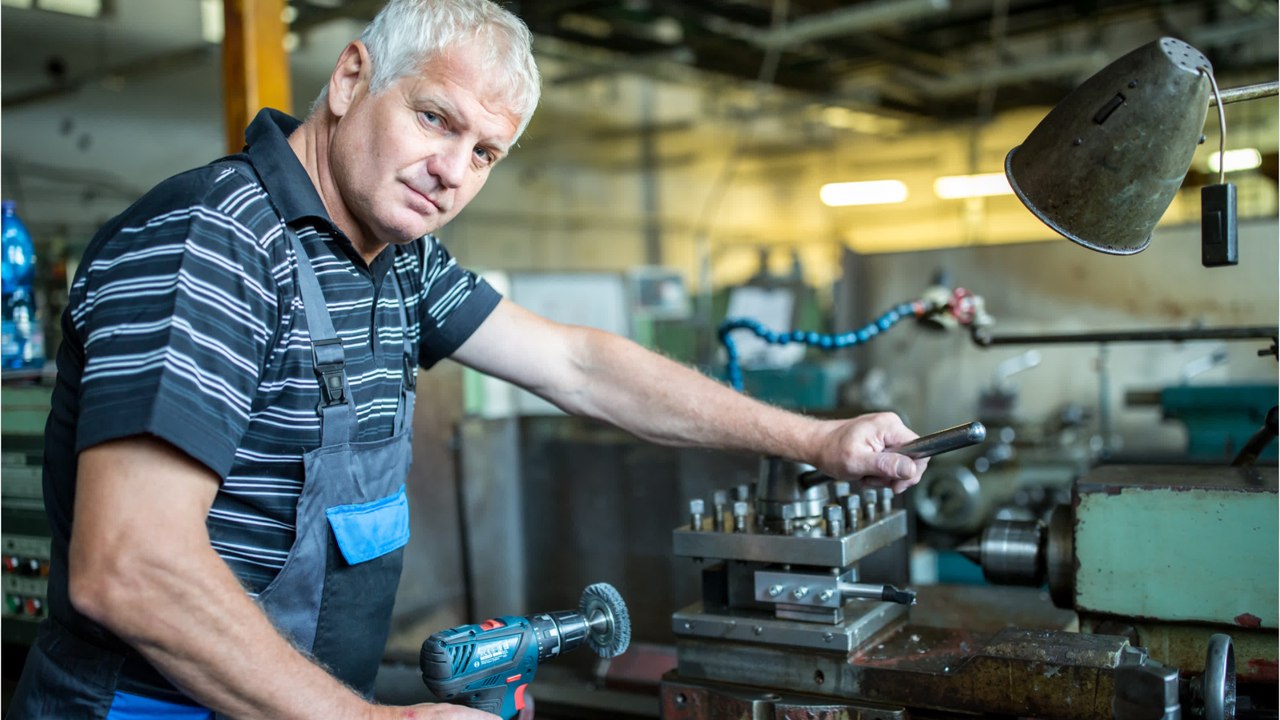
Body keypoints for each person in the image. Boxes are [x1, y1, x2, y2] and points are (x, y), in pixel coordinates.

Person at [8, 1, 929, 717]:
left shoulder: (395, 262)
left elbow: (577, 367)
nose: (454, 169)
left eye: (486, 150)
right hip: (144, 708)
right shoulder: (212, 245)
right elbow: (127, 564)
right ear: (350, 78)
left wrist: (820, 441)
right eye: (435, 119)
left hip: (285, 701)